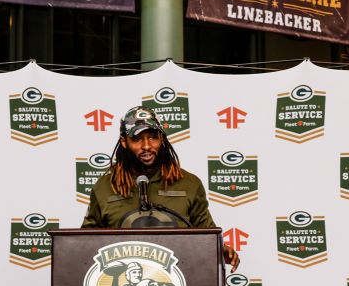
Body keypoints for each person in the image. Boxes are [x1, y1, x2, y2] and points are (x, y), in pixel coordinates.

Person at [82, 106, 241, 272]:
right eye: (137, 139)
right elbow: (85, 243)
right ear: (124, 142)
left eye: (153, 137)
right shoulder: (104, 187)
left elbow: (207, 234)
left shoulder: (189, 184)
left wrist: (218, 249)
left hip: (182, 280)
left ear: (162, 139)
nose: (147, 146)